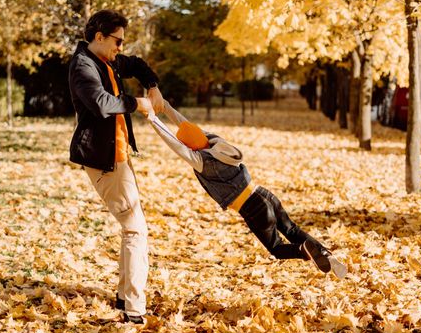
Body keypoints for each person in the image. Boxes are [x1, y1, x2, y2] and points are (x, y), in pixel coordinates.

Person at [142, 101, 347, 279]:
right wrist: (166, 107)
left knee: (276, 248)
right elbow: (184, 123)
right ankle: (324, 252)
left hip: (252, 208)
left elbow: (173, 143)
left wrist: (153, 118)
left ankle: (303, 250)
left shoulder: (202, 161)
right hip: (264, 194)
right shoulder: (215, 142)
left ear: (191, 147)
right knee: (291, 229)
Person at [68, 9, 164, 324]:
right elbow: (101, 103)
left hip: (119, 155)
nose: (121, 47)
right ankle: (134, 309)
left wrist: (152, 85)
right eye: (117, 41)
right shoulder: (84, 67)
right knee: (136, 229)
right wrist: (136, 103)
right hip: (103, 160)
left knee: (132, 227)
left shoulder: (108, 60)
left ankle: (125, 298)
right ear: (99, 36)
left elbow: (136, 64)